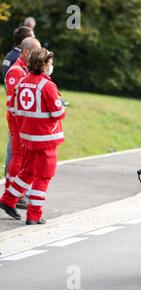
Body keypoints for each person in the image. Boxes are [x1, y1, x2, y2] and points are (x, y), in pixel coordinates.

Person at [0, 48, 65, 225]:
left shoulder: (21, 83)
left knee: (27, 171)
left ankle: (7, 199)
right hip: (46, 139)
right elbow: (57, 112)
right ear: (44, 65)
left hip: (27, 138)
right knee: (43, 176)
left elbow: (13, 109)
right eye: (50, 63)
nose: (52, 66)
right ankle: (34, 215)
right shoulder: (48, 85)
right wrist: (62, 108)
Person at [3, 38, 42, 198]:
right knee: (18, 156)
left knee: (23, 157)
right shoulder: (16, 71)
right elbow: (12, 103)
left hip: (24, 121)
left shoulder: (25, 69)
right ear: (26, 52)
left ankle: (17, 192)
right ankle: (12, 192)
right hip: (18, 121)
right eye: (35, 52)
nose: (38, 56)